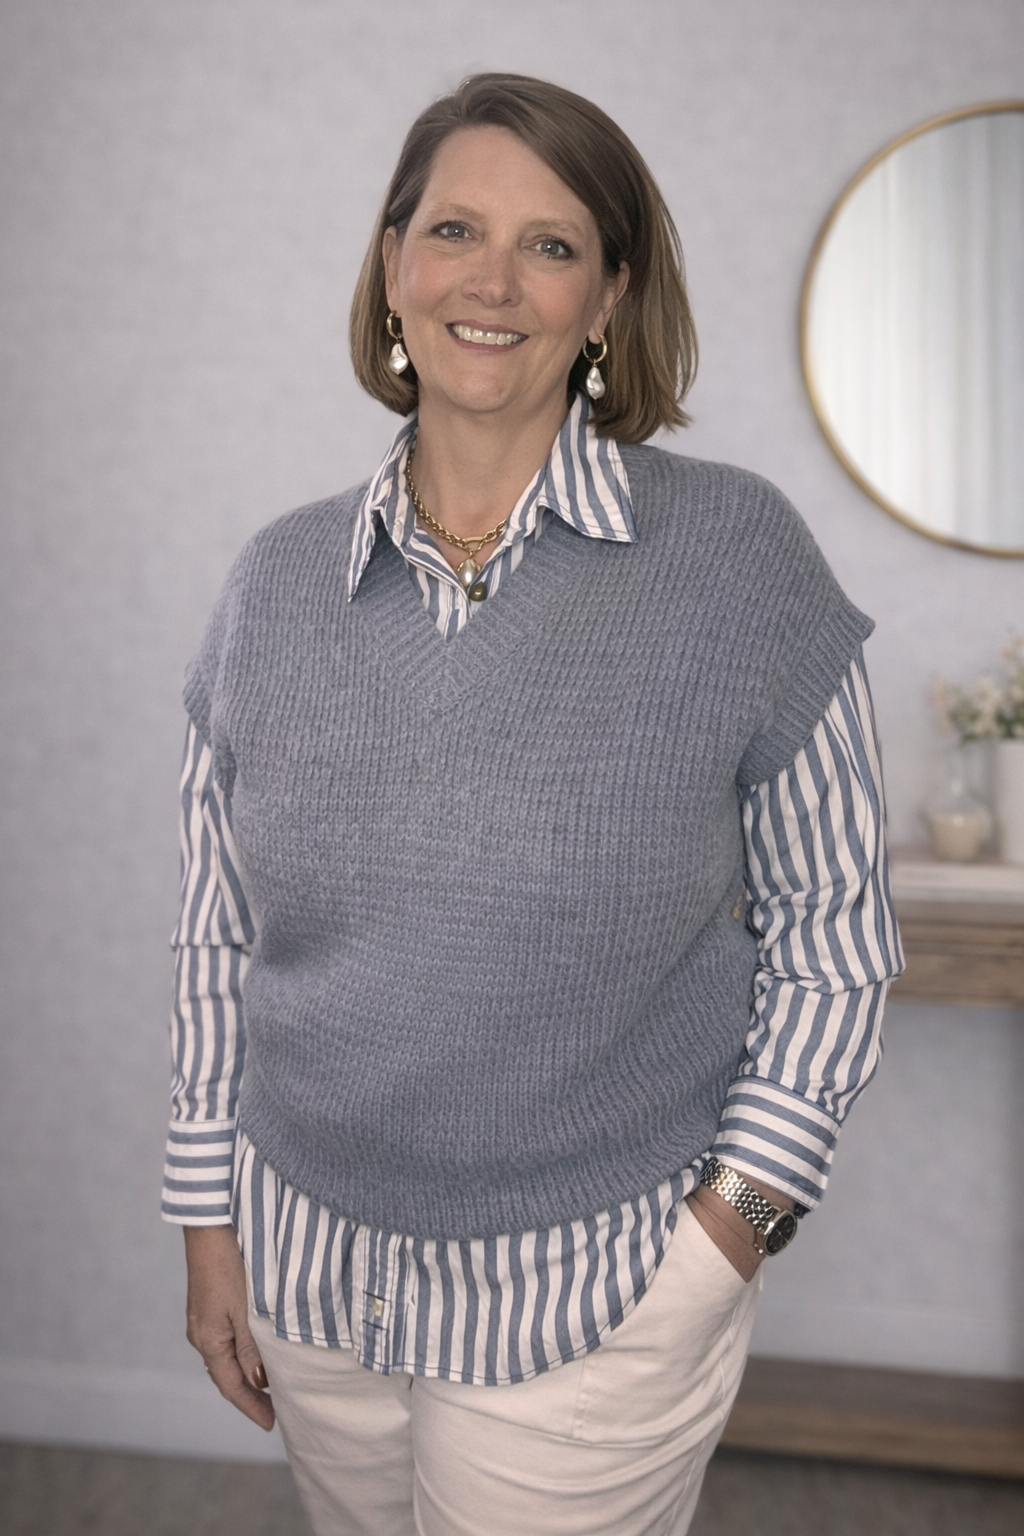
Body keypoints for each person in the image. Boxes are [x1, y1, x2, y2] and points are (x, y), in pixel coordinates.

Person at [162, 73, 902, 1536]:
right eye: (452, 230)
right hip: (313, 1279)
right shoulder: (274, 584)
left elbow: (837, 933)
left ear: (611, 297)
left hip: (600, 1300)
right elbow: (213, 940)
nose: (492, 282)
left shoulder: (737, 558)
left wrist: (730, 1233)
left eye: (552, 246)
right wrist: (207, 1226)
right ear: (392, 269)